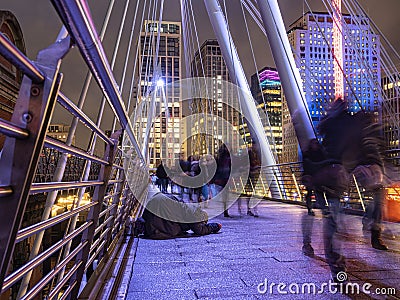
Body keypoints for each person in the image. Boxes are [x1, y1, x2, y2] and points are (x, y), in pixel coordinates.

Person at [140, 192, 222, 239]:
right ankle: (143, 226)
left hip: (157, 201)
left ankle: (140, 226)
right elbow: (199, 230)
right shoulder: (194, 214)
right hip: (160, 207)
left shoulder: (189, 208)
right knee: (169, 229)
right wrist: (214, 226)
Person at [213, 144, 232, 217]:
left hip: (225, 177)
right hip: (222, 177)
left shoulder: (227, 157)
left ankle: (225, 210)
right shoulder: (221, 158)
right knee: (222, 195)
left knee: (225, 195)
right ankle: (223, 210)